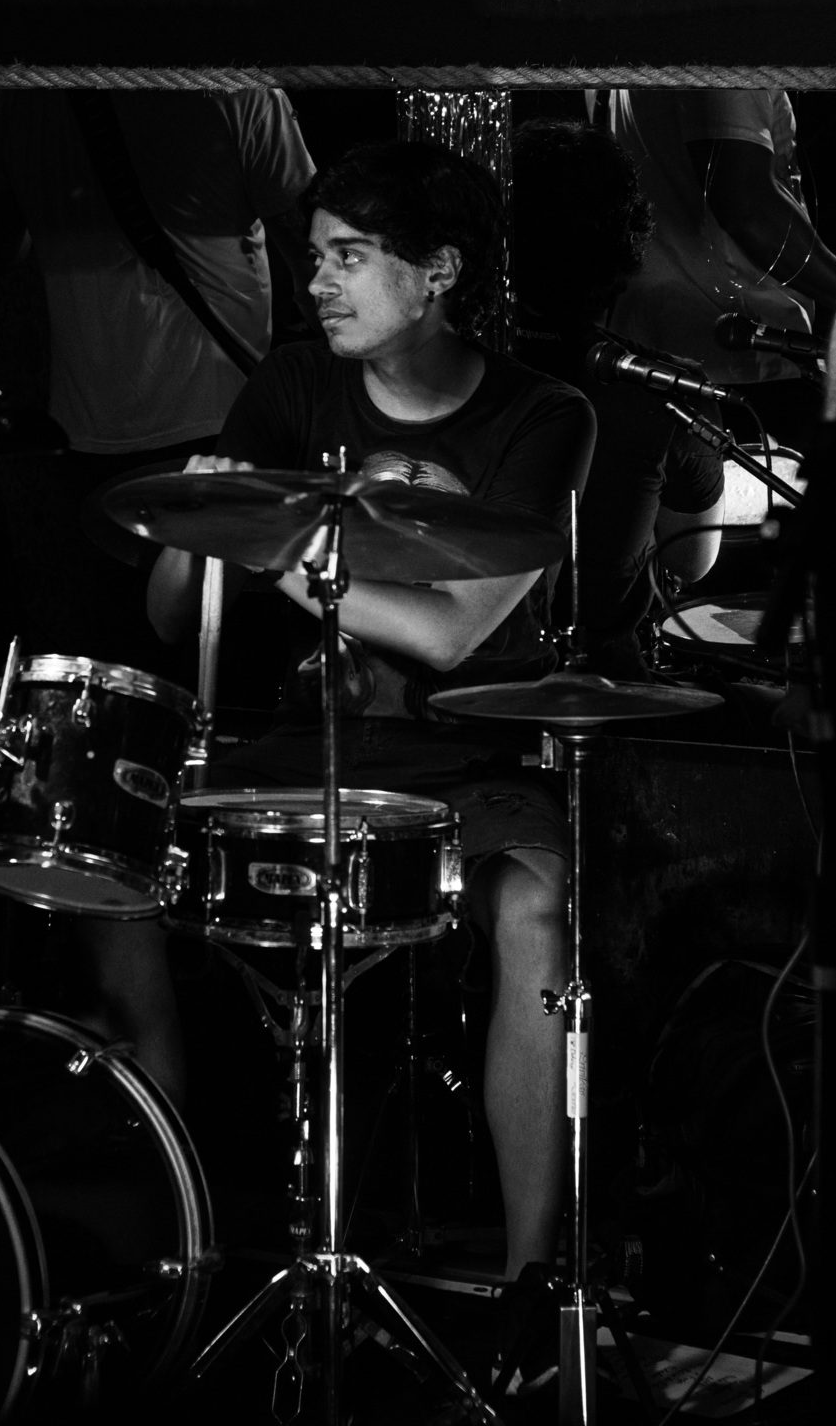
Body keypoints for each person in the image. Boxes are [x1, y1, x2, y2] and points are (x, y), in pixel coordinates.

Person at [147, 139, 597, 1392]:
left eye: (349, 258)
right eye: (313, 258)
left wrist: (278, 544)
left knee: (537, 909)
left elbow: (455, 632)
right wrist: (193, 526)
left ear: (437, 272)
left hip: (464, 751)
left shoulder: (544, 417)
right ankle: (182, 1240)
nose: (318, 284)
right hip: (303, 743)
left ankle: (530, 1289)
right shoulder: (294, 384)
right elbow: (171, 614)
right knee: (111, 857)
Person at [0, 86, 317, 675]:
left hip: (87, 427)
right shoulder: (238, 91)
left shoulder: (21, 102)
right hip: (224, 416)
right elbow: (313, 252)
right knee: (235, 664)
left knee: (125, 669)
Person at [511, 116, 726, 680]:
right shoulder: (668, 393)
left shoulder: (444, 368)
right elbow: (691, 561)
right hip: (605, 689)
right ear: (627, 243)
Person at [591, 88, 836, 449]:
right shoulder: (733, 54)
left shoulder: (626, 59)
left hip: (647, 351)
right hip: (739, 358)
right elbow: (747, 209)